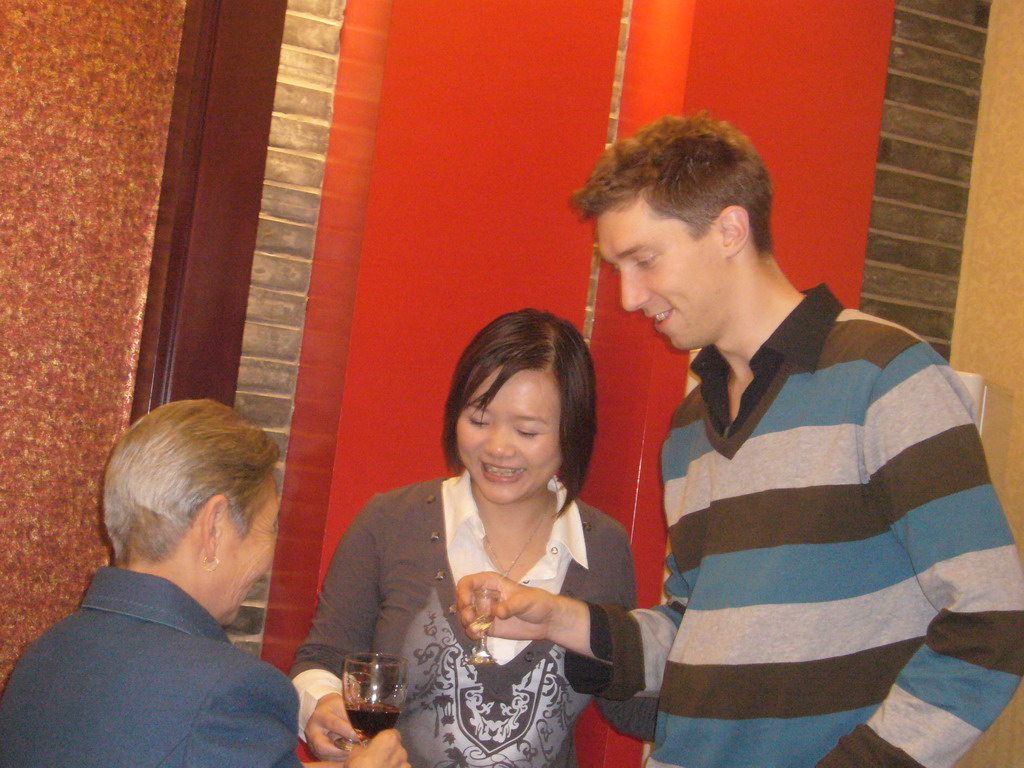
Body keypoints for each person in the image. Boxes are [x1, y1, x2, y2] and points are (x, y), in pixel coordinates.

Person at [456, 113, 1024, 768]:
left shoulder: (886, 378)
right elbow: (695, 632)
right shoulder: (690, 428)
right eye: (617, 269)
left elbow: (993, 623)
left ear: (730, 229)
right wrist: (559, 621)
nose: (632, 297)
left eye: (644, 261)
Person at [291, 308, 655, 768]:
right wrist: (320, 703)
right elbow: (322, 657)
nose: (498, 448)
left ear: (572, 432)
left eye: (527, 430)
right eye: (479, 420)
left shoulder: (602, 546)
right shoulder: (390, 522)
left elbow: (629, 704)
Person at [0, 399, 409, 768]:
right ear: (214, 527)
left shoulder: (49, 651)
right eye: (269, 528)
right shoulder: (226, 689)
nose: (267, 559)